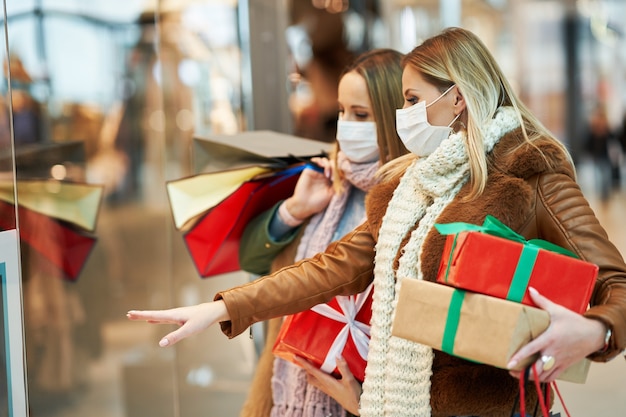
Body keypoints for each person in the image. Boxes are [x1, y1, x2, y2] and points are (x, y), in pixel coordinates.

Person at [128, 27, 626, 417]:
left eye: (412, 100)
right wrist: (222, 309)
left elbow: (617, 286)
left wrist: (595, 333)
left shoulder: (529, 171)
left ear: (457, 98)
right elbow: (329, 269)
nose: (402, 114)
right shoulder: (406, 187)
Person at [241, 47, 407, 417]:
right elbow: (251, 257)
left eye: (361, 114)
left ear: (397, 117)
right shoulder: (325, 181)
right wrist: (294, 210)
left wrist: (367, 403)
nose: (346, 124)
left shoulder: (411, 199)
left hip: (367, 400)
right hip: (285, 394)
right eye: (342, 111)